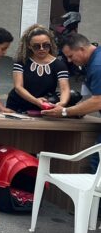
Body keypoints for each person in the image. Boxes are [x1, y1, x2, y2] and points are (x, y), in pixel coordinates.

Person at [42, 33, 101, 169]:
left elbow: (98, 101)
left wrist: (64, 111)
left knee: (97, 165)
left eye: (70, 56)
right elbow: (90, 98)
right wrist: (76, 110)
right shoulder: (94, 60)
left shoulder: (97, 66)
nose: (69, 61)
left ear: (81, 49)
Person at [6, 24, 70, 113]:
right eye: (36, 46)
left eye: (46, 45)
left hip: (43, 106)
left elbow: (64, 89)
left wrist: (62, 104)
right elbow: (18, 87)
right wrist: (36, 101)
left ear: (51, 44)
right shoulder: (22, 62)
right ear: (29, 46)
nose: (41, 49)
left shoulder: (59, 65)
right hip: (17, 105)